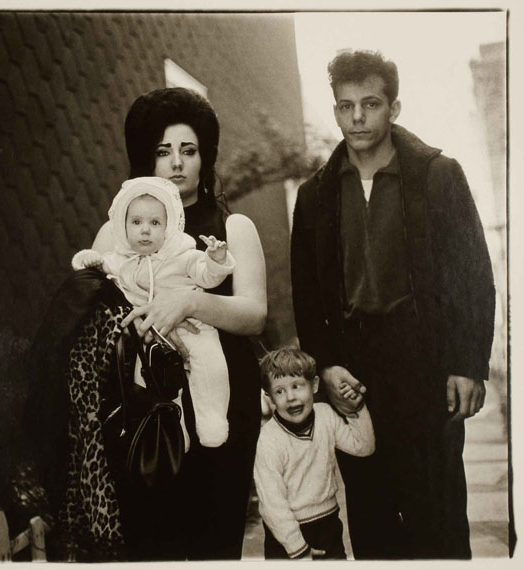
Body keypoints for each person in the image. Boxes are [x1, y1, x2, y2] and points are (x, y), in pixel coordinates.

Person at [290, 50, 495, 559]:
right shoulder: (315, 195)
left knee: (438, 515)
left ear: (394, 107)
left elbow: (473, 276)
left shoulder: (437, 176)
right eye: (345, 106)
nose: (357, 117)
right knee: (372, 515)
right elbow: (306, 293)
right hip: (354, 371)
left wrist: (467, 365)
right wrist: (327, 365)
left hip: (423, 361)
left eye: (371, 103)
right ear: (335, 110)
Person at [91, 87, 267, 560]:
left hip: (224, 402)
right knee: (154, 543)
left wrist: (190, 301)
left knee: (216, 543)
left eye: (188, 150)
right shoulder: (118, 231)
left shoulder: (234, 228)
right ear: (147, 157)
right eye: (163, 151)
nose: (176, 162)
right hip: (145, 407)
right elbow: (100, 320)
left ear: (204, 156)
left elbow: (254, 314)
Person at [72, 176, 235, 448]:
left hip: (191, 326)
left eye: (155, 223)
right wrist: (88, 261)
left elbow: (207, 276)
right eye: (136, 222)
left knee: (211, 365)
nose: (145, 230)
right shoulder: (120, 260)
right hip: (146, 337)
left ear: (168, 227)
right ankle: (171, 433)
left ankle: (213, 419)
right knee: (147, 383)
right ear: (123, 227)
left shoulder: (182, 254)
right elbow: (95, 274)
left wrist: (216, 260)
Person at [253, 348, 374, 560]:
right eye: (279, 391)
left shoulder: (326, 415)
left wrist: (357, 409)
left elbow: (363, 447)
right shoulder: (268, 440)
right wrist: (298, 550)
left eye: (297, 386)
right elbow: (272, 506)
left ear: (315, 385)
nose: (290, 397)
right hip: (286, 535)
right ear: (269, 396)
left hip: (328, 524)